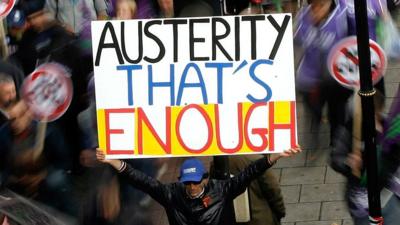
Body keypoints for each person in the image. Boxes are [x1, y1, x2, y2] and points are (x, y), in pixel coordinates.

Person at [96, 147, 301, 225]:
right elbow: (140, 179)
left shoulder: (222, 189)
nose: (192, 187)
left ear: (204, 179)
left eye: (195, 182)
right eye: (187, 182)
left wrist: (273, 157)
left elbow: (250, 173)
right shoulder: (171, 194)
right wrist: (113, 161)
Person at [228, 155, 285, 225]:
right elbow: (273, 189)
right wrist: (280, 211)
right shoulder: (256, 160)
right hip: (260, 219)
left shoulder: (218, 163)